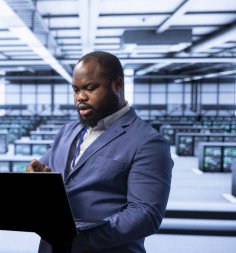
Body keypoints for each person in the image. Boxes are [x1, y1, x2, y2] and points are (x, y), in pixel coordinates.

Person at [26, 51, 174, 253]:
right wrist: (32, 179)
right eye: (75, 90)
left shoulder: (148, 142)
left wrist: (75, 237)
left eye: (90, 88)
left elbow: (145, 215)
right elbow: (45, 173)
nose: (80, 97)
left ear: (117, 85)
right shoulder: (67, 131)